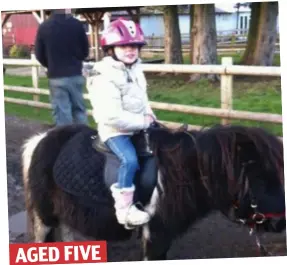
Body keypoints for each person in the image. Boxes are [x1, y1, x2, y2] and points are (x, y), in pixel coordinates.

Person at [86, 18, 156, 229]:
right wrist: (143, 122)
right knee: (130, 160)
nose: (131, 50)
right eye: (124, 45)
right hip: (115, 130)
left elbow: (143, 100)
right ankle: (124, 209)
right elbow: (111, 115)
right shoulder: (104, 76)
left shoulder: (135, 69)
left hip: (138, 125)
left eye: (134, 45)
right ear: (111, 49)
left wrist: (152, 117)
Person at [34, 8, 89, 126]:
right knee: (79, 110)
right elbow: (85, 51)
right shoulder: (77, 25)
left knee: (62, 114)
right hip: (75, 74)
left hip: (56, 76)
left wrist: (50, 65)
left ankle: (66, 142)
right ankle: (83, 139)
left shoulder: (44, 27)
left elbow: (39, 54)